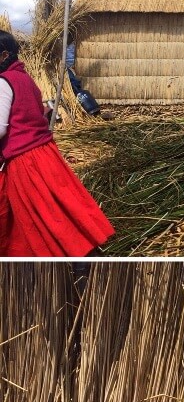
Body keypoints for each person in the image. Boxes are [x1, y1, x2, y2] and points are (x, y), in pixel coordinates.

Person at [0, 30, 114, 257]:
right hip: (45, 154)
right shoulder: (25, 79)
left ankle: (75, 262)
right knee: (61, 208)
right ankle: (88, 253)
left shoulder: (3, 82)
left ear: (3, 55)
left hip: (26, 162)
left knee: (44, 216)